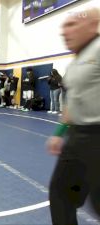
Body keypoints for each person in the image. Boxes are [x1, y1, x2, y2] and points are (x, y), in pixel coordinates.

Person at [46, 7, 100, 224]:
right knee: (61, 195)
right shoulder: (75, 63)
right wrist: (60, 132)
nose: (64, 32)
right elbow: (71, 102)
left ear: (92, 25)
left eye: (71, 25)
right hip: (77, 139)